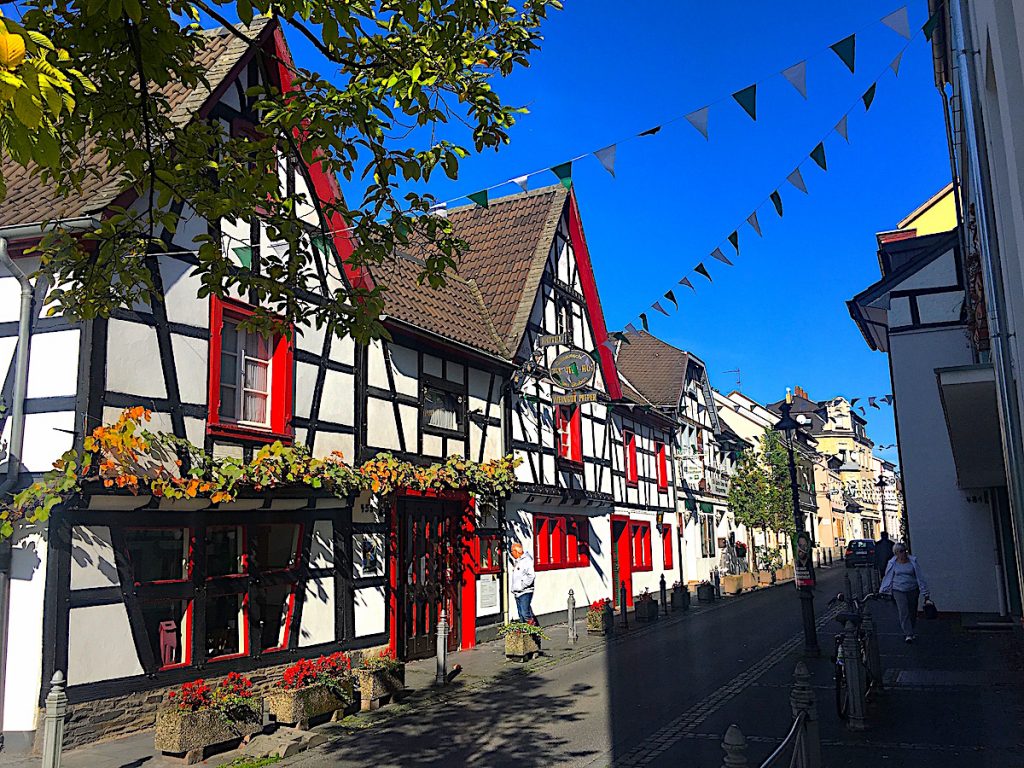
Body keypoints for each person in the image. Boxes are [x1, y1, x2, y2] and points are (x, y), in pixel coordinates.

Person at [880, 542, 930, 643]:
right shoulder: (892, 563)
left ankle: (911, 628)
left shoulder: (913, 562)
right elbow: (888, 577)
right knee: (903, 611)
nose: (904, 553)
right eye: (901, 551)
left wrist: (925, 592)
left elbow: (920, 577)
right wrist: (884, 590)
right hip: (898, 590)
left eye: (905, 551)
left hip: (913, 589)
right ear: (896, 553)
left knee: (912, 610)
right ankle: (908, 633)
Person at [509, 542, 536, 625]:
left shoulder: (527, 560)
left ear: (517, 552)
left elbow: (531, 576)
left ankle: (534, 632)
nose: (511, 554)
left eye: (512, 552)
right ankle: (525, 635)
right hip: (518, 592)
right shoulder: (518, 561)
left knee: (525, 614)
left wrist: (522, 585)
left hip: (525, 592)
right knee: (521, 615)